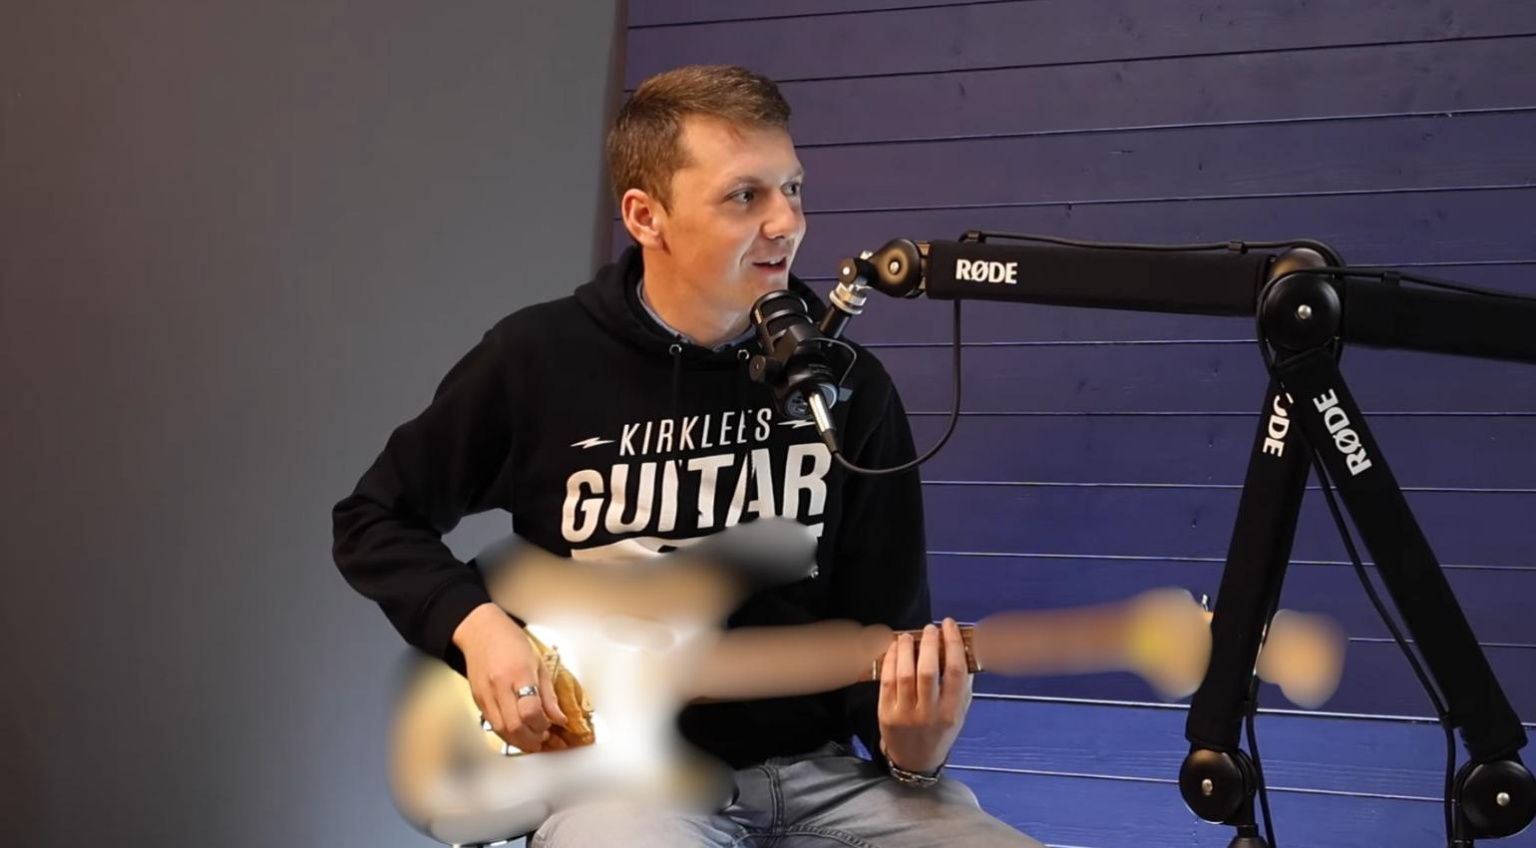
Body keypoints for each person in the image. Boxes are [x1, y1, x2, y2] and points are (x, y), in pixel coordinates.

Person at [332, 63, 1042, 848]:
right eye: (745, 196)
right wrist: (475, 627)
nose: (788, 223)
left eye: (793, 189)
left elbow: (885, 634)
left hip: (820, 780)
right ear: (646, 216)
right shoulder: (535, 360)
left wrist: (913, 754)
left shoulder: (849, 386)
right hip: (621, 785)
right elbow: (374, 518)